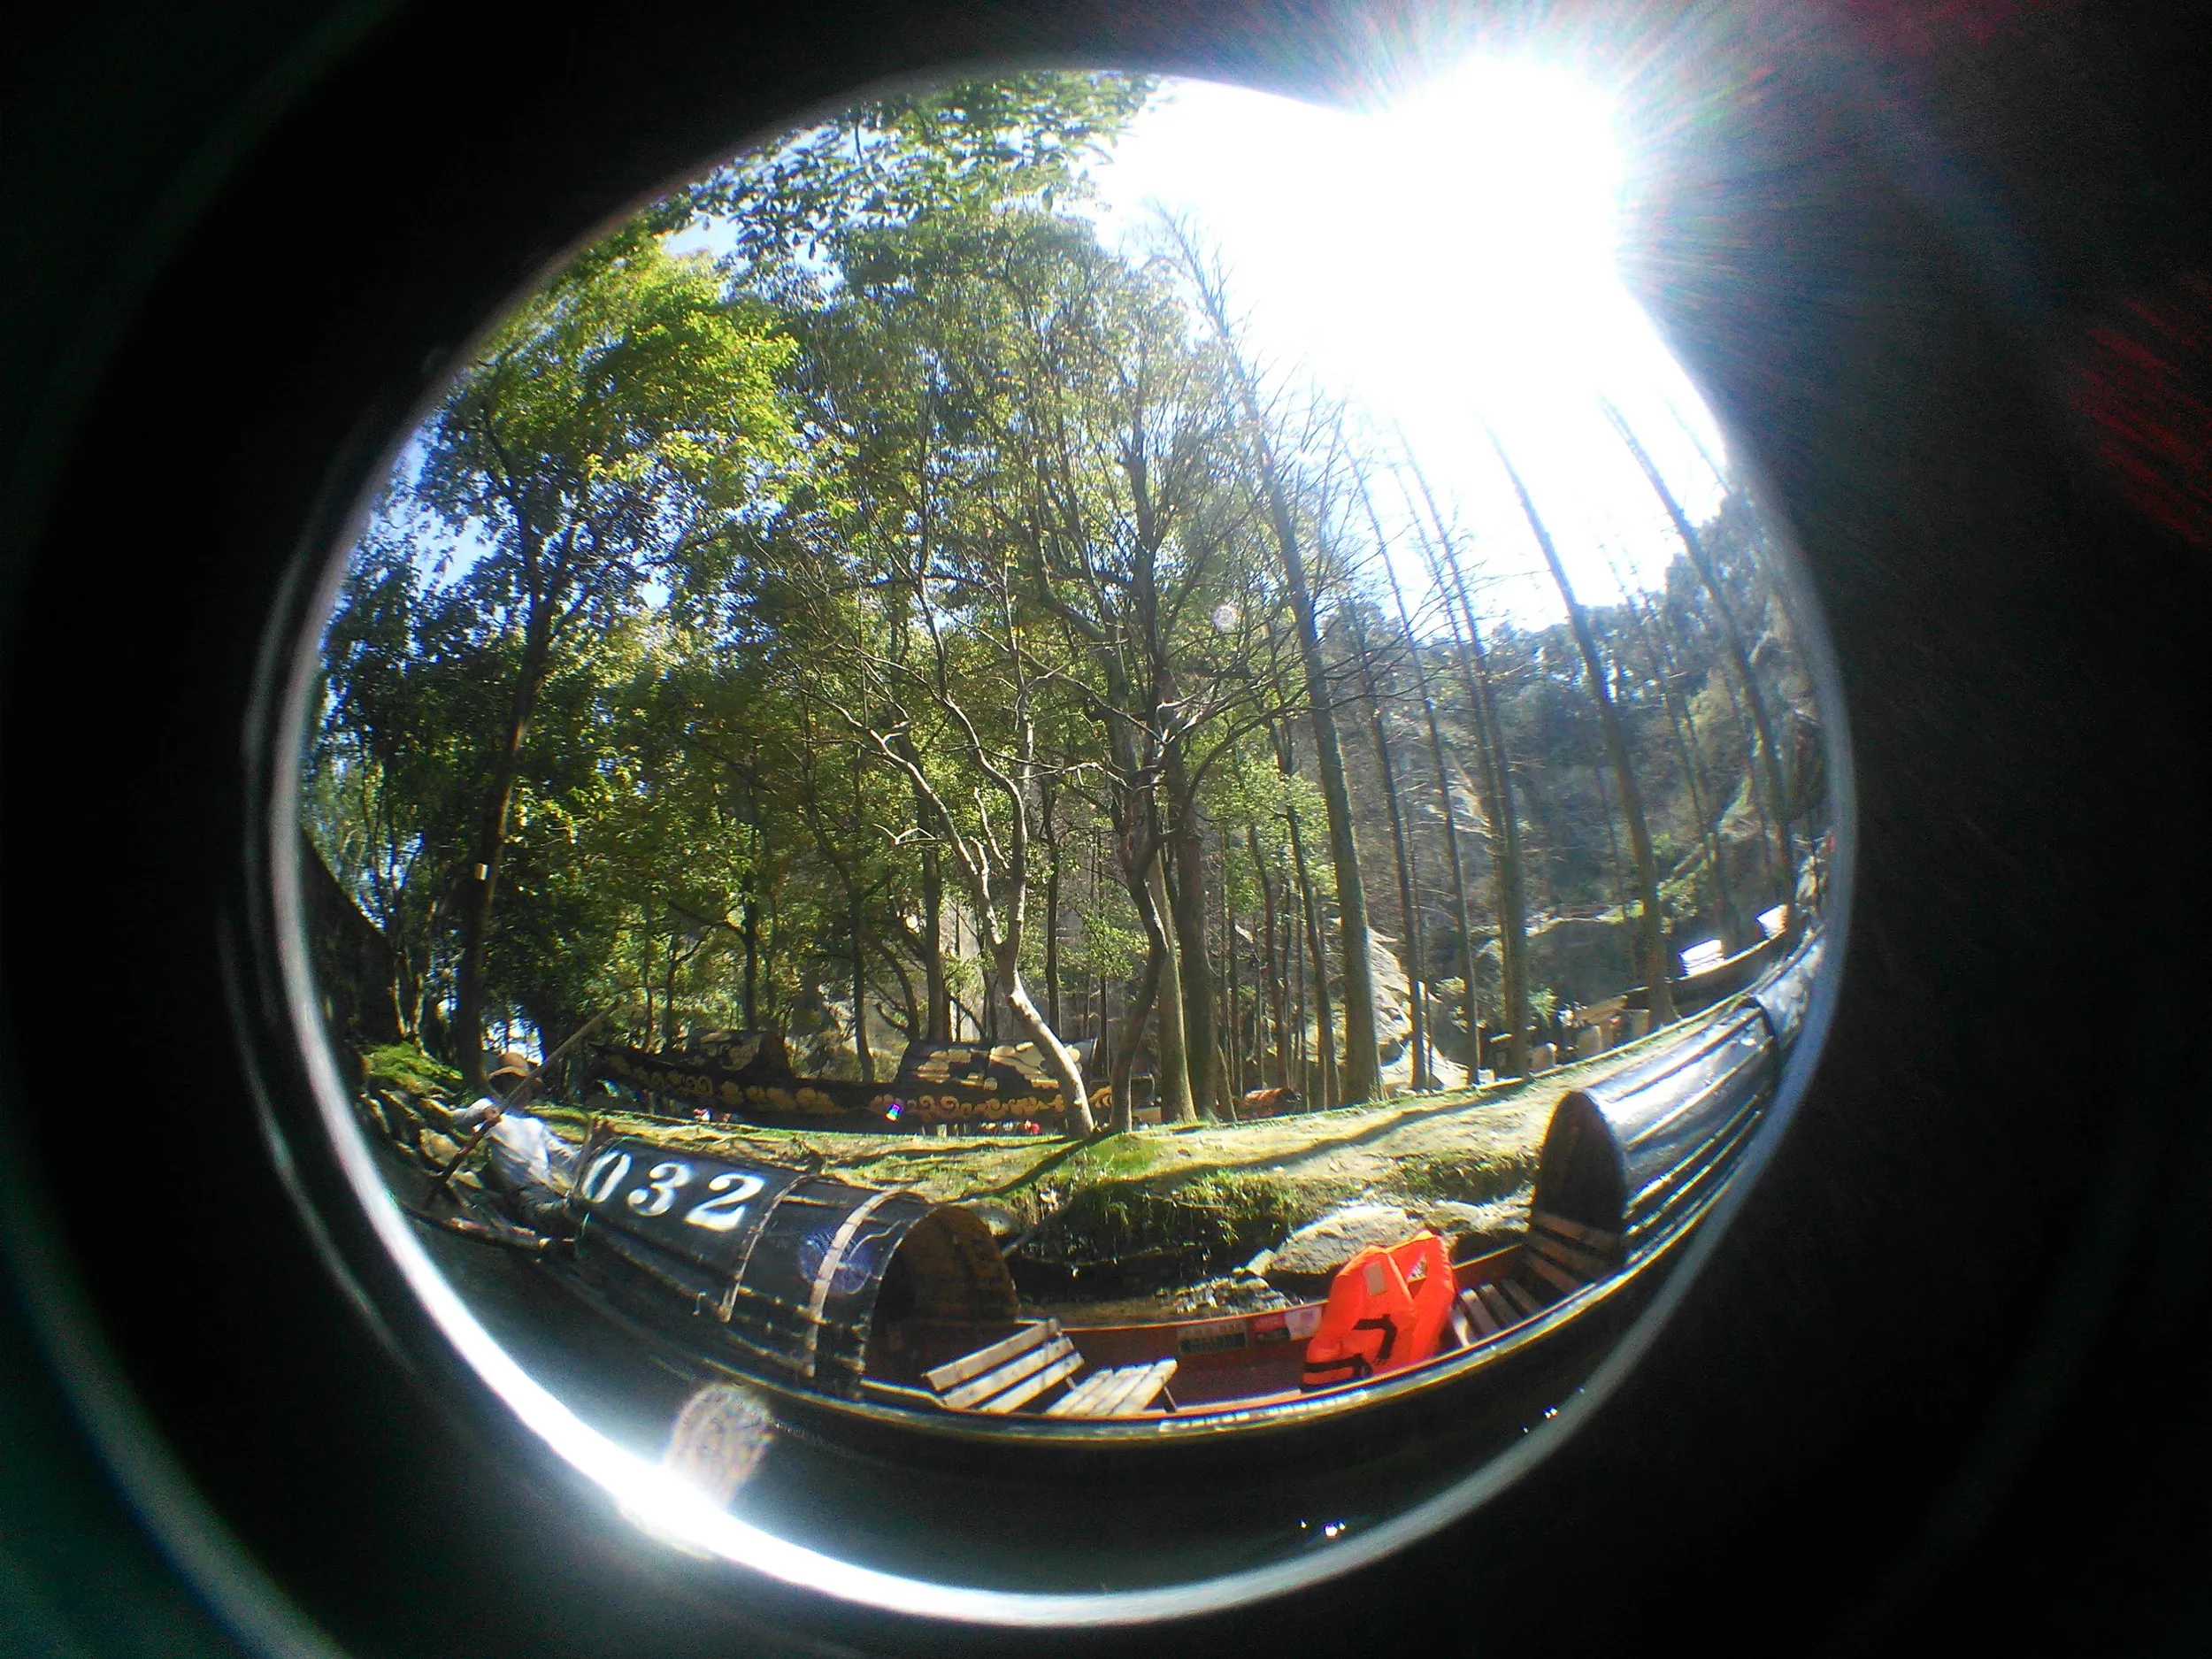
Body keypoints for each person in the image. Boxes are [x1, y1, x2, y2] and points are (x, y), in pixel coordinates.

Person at [449, 1051, 580, 1233]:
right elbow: (456, 1119)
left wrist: (594, 1143)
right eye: (521, 1084)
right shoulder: (491, 1108)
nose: (527, 1091)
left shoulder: (535, 1125)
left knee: (583, 1212)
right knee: (565, 1216)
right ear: (506, 1083)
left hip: (549, 1192)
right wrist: (482, 1114)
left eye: (530, 1087)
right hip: (524, 1195)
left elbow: (571, 1161)